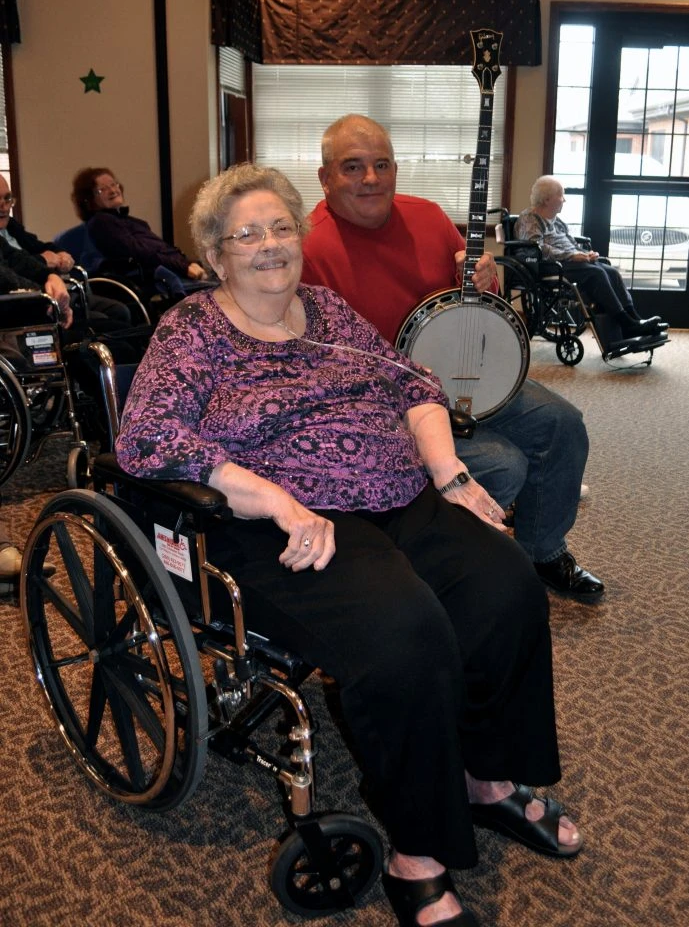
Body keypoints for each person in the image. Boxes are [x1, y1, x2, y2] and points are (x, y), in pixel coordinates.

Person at [116, 163, 583, 927]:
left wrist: (450, 473)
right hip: (278, 525)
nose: (269, 244)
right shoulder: (192, 329)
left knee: (506, 586)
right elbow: (148, 437)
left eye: (280, 227)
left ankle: (487, 780)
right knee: (404, 635)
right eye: (246, 234)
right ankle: (417, 856)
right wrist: (277, 500)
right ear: (216, 253)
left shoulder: (328, 310)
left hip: (398, 495)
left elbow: (413, 382)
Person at [301, 114, 604, 604]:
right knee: (504, 464)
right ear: (325, 177)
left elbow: (478, 302)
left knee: (561, 423)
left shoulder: (427, 216)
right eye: (352, 167)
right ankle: (451, 574)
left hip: (465, 373)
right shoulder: (309, 248)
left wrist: (486, 277)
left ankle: (544, 552)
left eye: (382, 164)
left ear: (395, 169)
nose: (371, 178)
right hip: (388, 404)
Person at [515, 176, 667, 338]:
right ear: (546, 199)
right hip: (548, 266)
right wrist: (572, 255)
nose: (564, 200)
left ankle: (634, 319)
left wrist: (585, 254)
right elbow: (535, 248)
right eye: (560, 195)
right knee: (596, 273)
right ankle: (627, 324)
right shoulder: (529, 219)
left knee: (611, 272)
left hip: (569, 262)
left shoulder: (557, 221)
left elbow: (571, 244)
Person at [0, 175, 130, 335]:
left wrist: (53, 266)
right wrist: (43, 263)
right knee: (111, 329)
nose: (4, 206)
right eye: (103, 189)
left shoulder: (12, 226)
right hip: (26, 308)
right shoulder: (100, 223)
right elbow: (9, 276)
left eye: (7, 199)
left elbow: (26, 254)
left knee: (118, 314)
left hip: (48, 295)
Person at [70, 167, 208, 296]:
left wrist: (186, 264)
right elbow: (141, 254)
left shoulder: (131, 221)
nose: (112, 191)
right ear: (89, 200)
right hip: (156, 280)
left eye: (113, 184)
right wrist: (184, 267)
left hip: (174, 270)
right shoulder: (101, 222)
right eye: (102, 189)